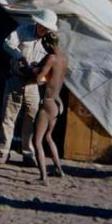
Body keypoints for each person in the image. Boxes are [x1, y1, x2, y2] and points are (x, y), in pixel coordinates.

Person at [0, 8, 59, 167]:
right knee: (8, 118)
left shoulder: (48, 41)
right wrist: (19, 57)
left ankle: (27, 152)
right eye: (42, 26)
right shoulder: (22, 31)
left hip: (33, 84)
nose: (43, 30)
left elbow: (52, 64)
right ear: (36, 22)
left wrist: (41, 78)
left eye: (47, 28)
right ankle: (3, 152)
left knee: (31, 119)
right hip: (16, 80)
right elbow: (7, 44)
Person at [31, 31, 68, 185]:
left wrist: (33, 69)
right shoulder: (63, 58)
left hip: (47, 103)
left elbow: (39, 78)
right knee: (48, 137)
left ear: (47, 44)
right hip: (57, 102)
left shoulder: (51, 57)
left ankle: (43, 177)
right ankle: (59, 169)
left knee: (37, 141)